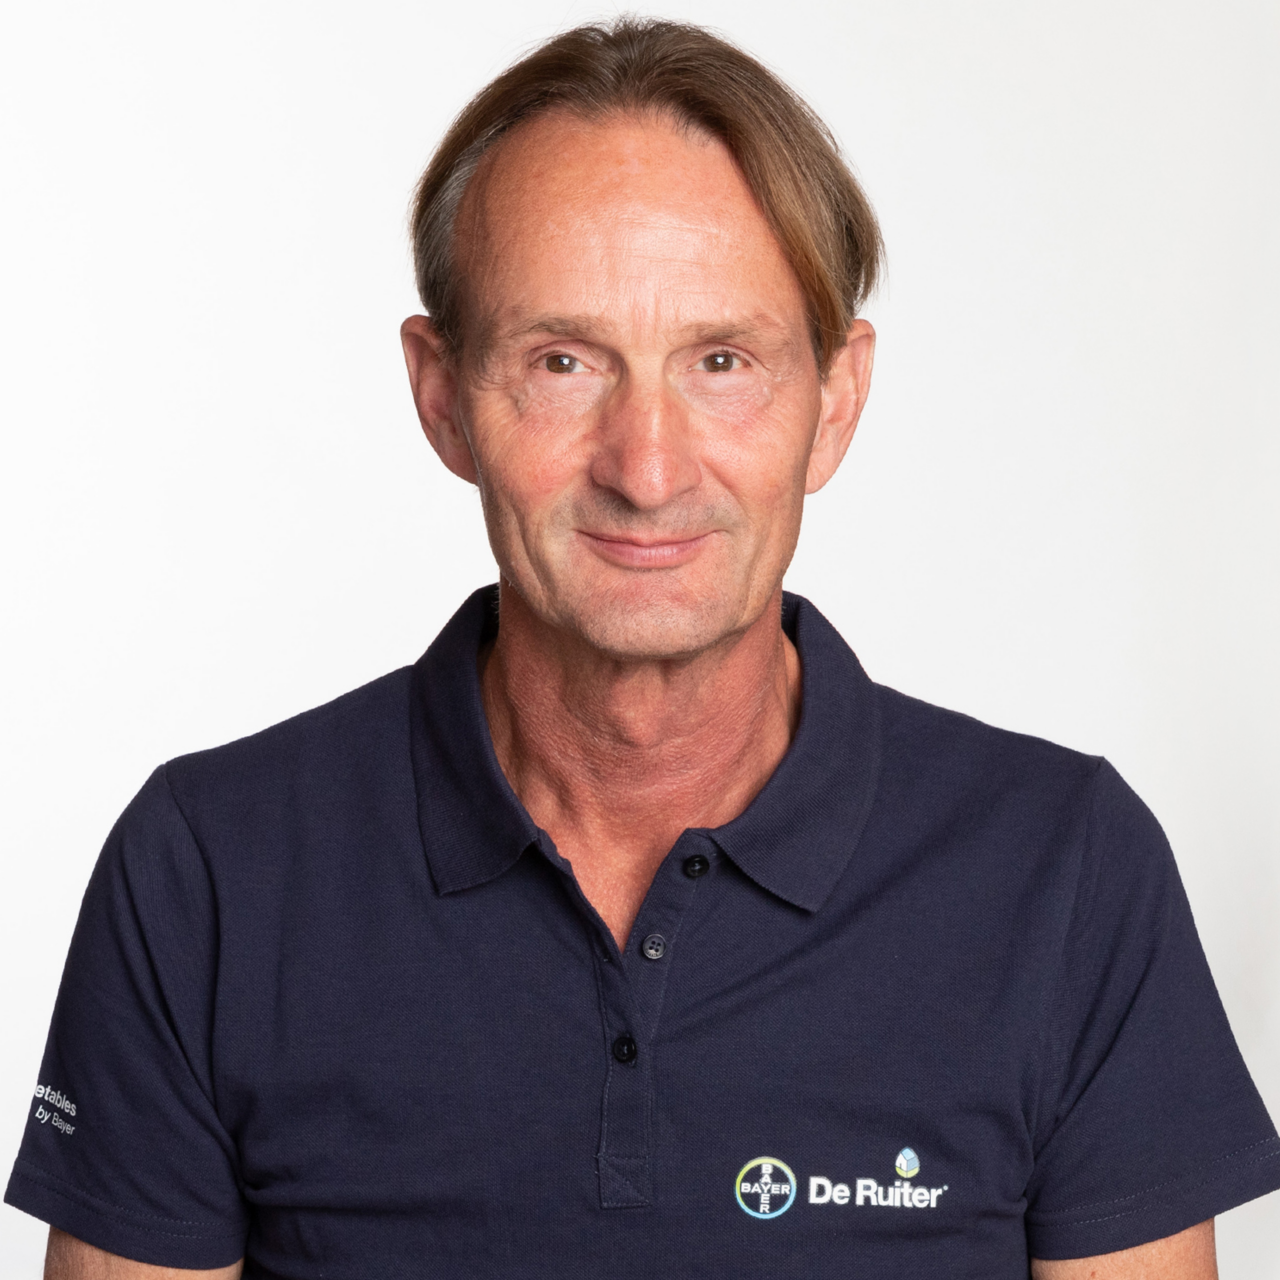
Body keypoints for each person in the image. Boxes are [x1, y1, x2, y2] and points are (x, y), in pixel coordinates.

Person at [7, 18, 1278, 1280]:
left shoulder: (1062, 871)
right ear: (441, 395)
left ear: (834, 401)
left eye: (722, 361)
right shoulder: (209, 871)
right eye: (562, 361)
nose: (648, 467)